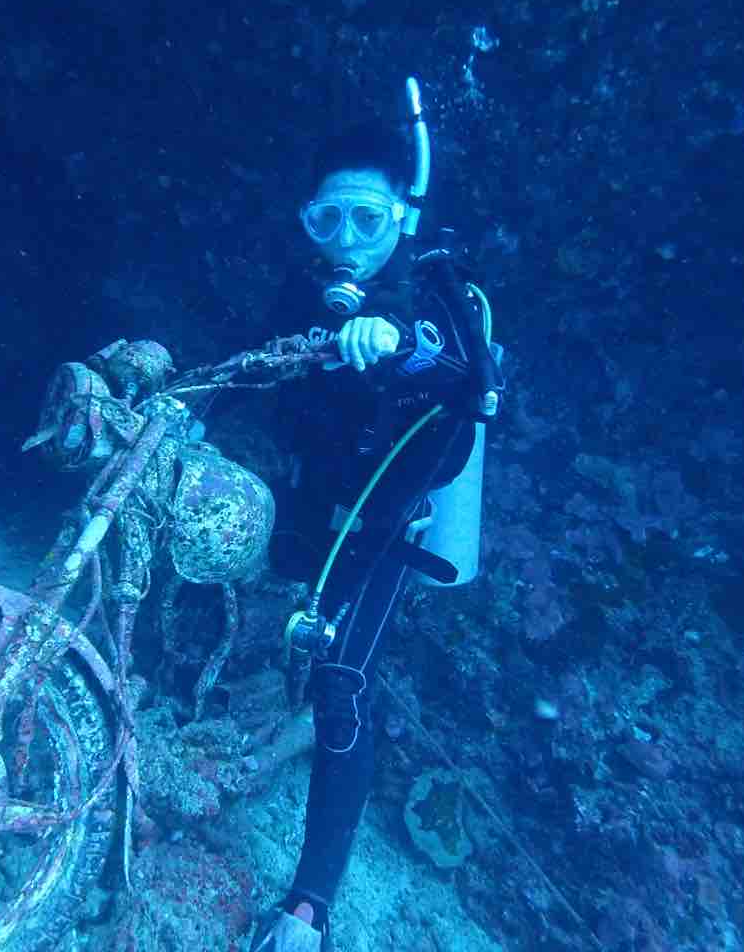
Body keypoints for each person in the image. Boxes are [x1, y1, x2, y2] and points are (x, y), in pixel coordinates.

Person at [249, 80, 502, 951]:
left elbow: (473, 396)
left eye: (367, 218)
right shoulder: (304, 290)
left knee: (340, 679)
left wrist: (401, 350)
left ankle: (310, 906)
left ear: (402, 217)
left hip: (394, 522)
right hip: (311, 497)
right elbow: (255, 369)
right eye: (328, 220)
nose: (347, 241)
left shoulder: (443, 299)